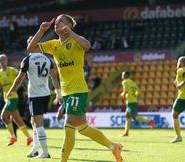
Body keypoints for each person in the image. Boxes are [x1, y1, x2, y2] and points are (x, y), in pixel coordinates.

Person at [27, 14, 123, 162]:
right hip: (66, 92)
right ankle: (113, 147)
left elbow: (87, 45)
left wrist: (70, 32)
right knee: (82, 127)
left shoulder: (75, 40)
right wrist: (41, 31)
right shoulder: (53, 44)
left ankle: (63, 160)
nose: (56, 24)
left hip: (78, 90)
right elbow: (31, 49)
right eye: (56, 23)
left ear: (69, 25)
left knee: (69, 123)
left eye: (60, 22)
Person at [6, 51, 61, 158]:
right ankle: (35, 149)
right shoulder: (48, 59)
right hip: (46, 94)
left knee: (38, 124)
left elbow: (19, 78)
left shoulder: (28, 59)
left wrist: (11, 90)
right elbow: (54, 76)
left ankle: (45, 152)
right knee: (34, 122)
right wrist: (58, 93)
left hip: (36, 95)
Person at [0, 54, 32, 146]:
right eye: (0, 60)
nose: (2, 62)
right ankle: (28, 137)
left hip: (13, 97)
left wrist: (17, 88)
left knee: (3, 117)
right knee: (17, 119)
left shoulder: (12, 70)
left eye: (4, 60)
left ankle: (13, 136)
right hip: (5, 97)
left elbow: (22, 77)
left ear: (7, 61)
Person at [120, 71, 154, 137]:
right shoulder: (133, 83)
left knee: (131, 116)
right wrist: (134, 96)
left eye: (123, 75)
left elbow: (125, 91)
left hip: (131, 102)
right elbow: (138, 92)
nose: (122, 76)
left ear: (126, 76)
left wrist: (123, 94)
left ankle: (149, 121)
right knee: (131, 116)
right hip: (133, 101)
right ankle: (126, 132)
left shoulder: (125, 82)